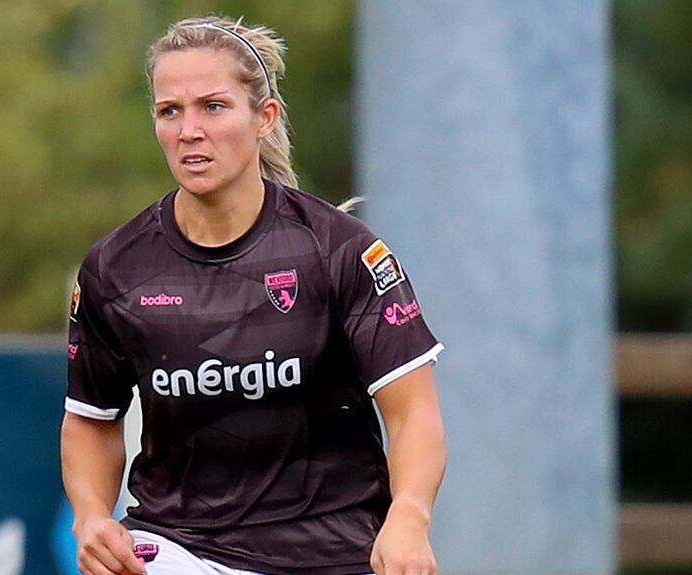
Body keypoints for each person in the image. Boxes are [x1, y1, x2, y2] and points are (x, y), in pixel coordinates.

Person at [61, 16, 446, 575]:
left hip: (332, 550)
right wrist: (92, 516)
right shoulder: (116, 268)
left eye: (212, 107)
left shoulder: (339, 251)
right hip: (177, 546)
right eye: (171, 111)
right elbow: (91, 419)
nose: (189, 129)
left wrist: (409, 517)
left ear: (263, 118)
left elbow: (414, 414)